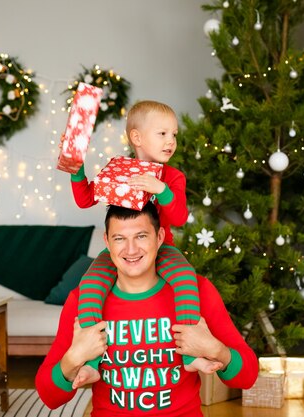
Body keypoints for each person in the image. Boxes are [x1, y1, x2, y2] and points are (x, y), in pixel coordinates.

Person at [35, 203, 258, 416]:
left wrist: (215, 349)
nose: (131, 249)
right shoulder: (81, 301)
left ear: (159, 237)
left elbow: (247, 377)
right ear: (107, 242)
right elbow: (50, 397)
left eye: (141, 236)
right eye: (119, 238)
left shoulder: (198, 292)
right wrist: (74, 358)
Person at [69, 100, 212, 386]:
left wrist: (162, 190)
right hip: (121, 252)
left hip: (163, 250)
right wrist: (76, 170)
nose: (171, 141)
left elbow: (180, 217)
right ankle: (94, 362)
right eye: (162, 134)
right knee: (89, 286)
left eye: (174, 135)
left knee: (185, 278)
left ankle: (189, 355)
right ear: (137, 138)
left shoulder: (172, 176)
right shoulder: (120, 170)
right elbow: (85, 199)